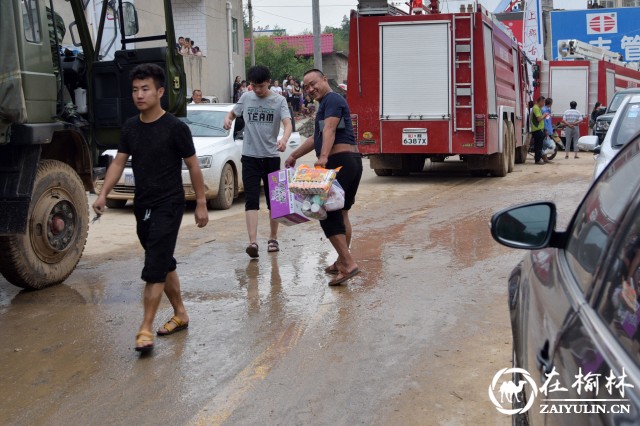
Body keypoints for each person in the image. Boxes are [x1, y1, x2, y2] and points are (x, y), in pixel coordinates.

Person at [92, 63, 209, 353]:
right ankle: (180, 313)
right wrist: (104, 193)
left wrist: (202, 203)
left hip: (169, 204)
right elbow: (119, 162)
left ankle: (145, 328)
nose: (139, 95)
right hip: (142, 204)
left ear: (160, 91)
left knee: (154, 264)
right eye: (135, 90)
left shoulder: (176, 128)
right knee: (162, 259)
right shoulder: (131, 127)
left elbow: (193, 165)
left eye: (145, 89)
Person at [284, 69, 363, 286]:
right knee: (341, 211)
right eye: (306, 86)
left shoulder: (333, 99)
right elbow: (316, 136)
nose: (310, 89)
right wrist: (294, 155)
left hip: (340, 162)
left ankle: (348, 263)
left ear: (325, 79)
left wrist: (323, 157)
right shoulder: (326, 105)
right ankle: (341, 261)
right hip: (349, 161)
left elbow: (329, 130)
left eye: (313, 83)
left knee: (323, 212)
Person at [223, 65, 292, 257]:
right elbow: (232, 113)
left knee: (274, 201)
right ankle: (252, 242)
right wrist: (227, 119)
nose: (258, 90)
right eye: (254, 86)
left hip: (271, 157)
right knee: (251, 200)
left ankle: (273, 238)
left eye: (261, 86)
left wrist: (284, 139)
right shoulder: (246, 97)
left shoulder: (279, 101)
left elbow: (288, 124)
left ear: (269, 82)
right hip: (250, 157)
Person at [530, 96, 548, 165]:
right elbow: (539, 119)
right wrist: (544, 115)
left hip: (539, 129)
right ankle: (537, 160)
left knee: (538, 145)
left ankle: (538, 159)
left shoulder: (537, 108)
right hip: (537, 130)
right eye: (543, 102)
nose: (544, 104)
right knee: (538, 146)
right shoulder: (536, 108)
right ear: (540, 101)